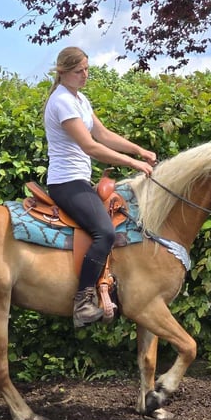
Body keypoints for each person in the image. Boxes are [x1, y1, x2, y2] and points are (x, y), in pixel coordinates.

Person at [43, 46, 157, 327]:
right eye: (79, 71)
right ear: (63, 73)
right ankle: (82, 301)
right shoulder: (61, 102)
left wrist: (139, 150)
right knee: (104, 233)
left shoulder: (80, 99)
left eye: (86, 69)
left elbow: (103, 134)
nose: (85, 75)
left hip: (80, 180)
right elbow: (90, 146)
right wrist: (134, 164)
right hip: (66, 182)